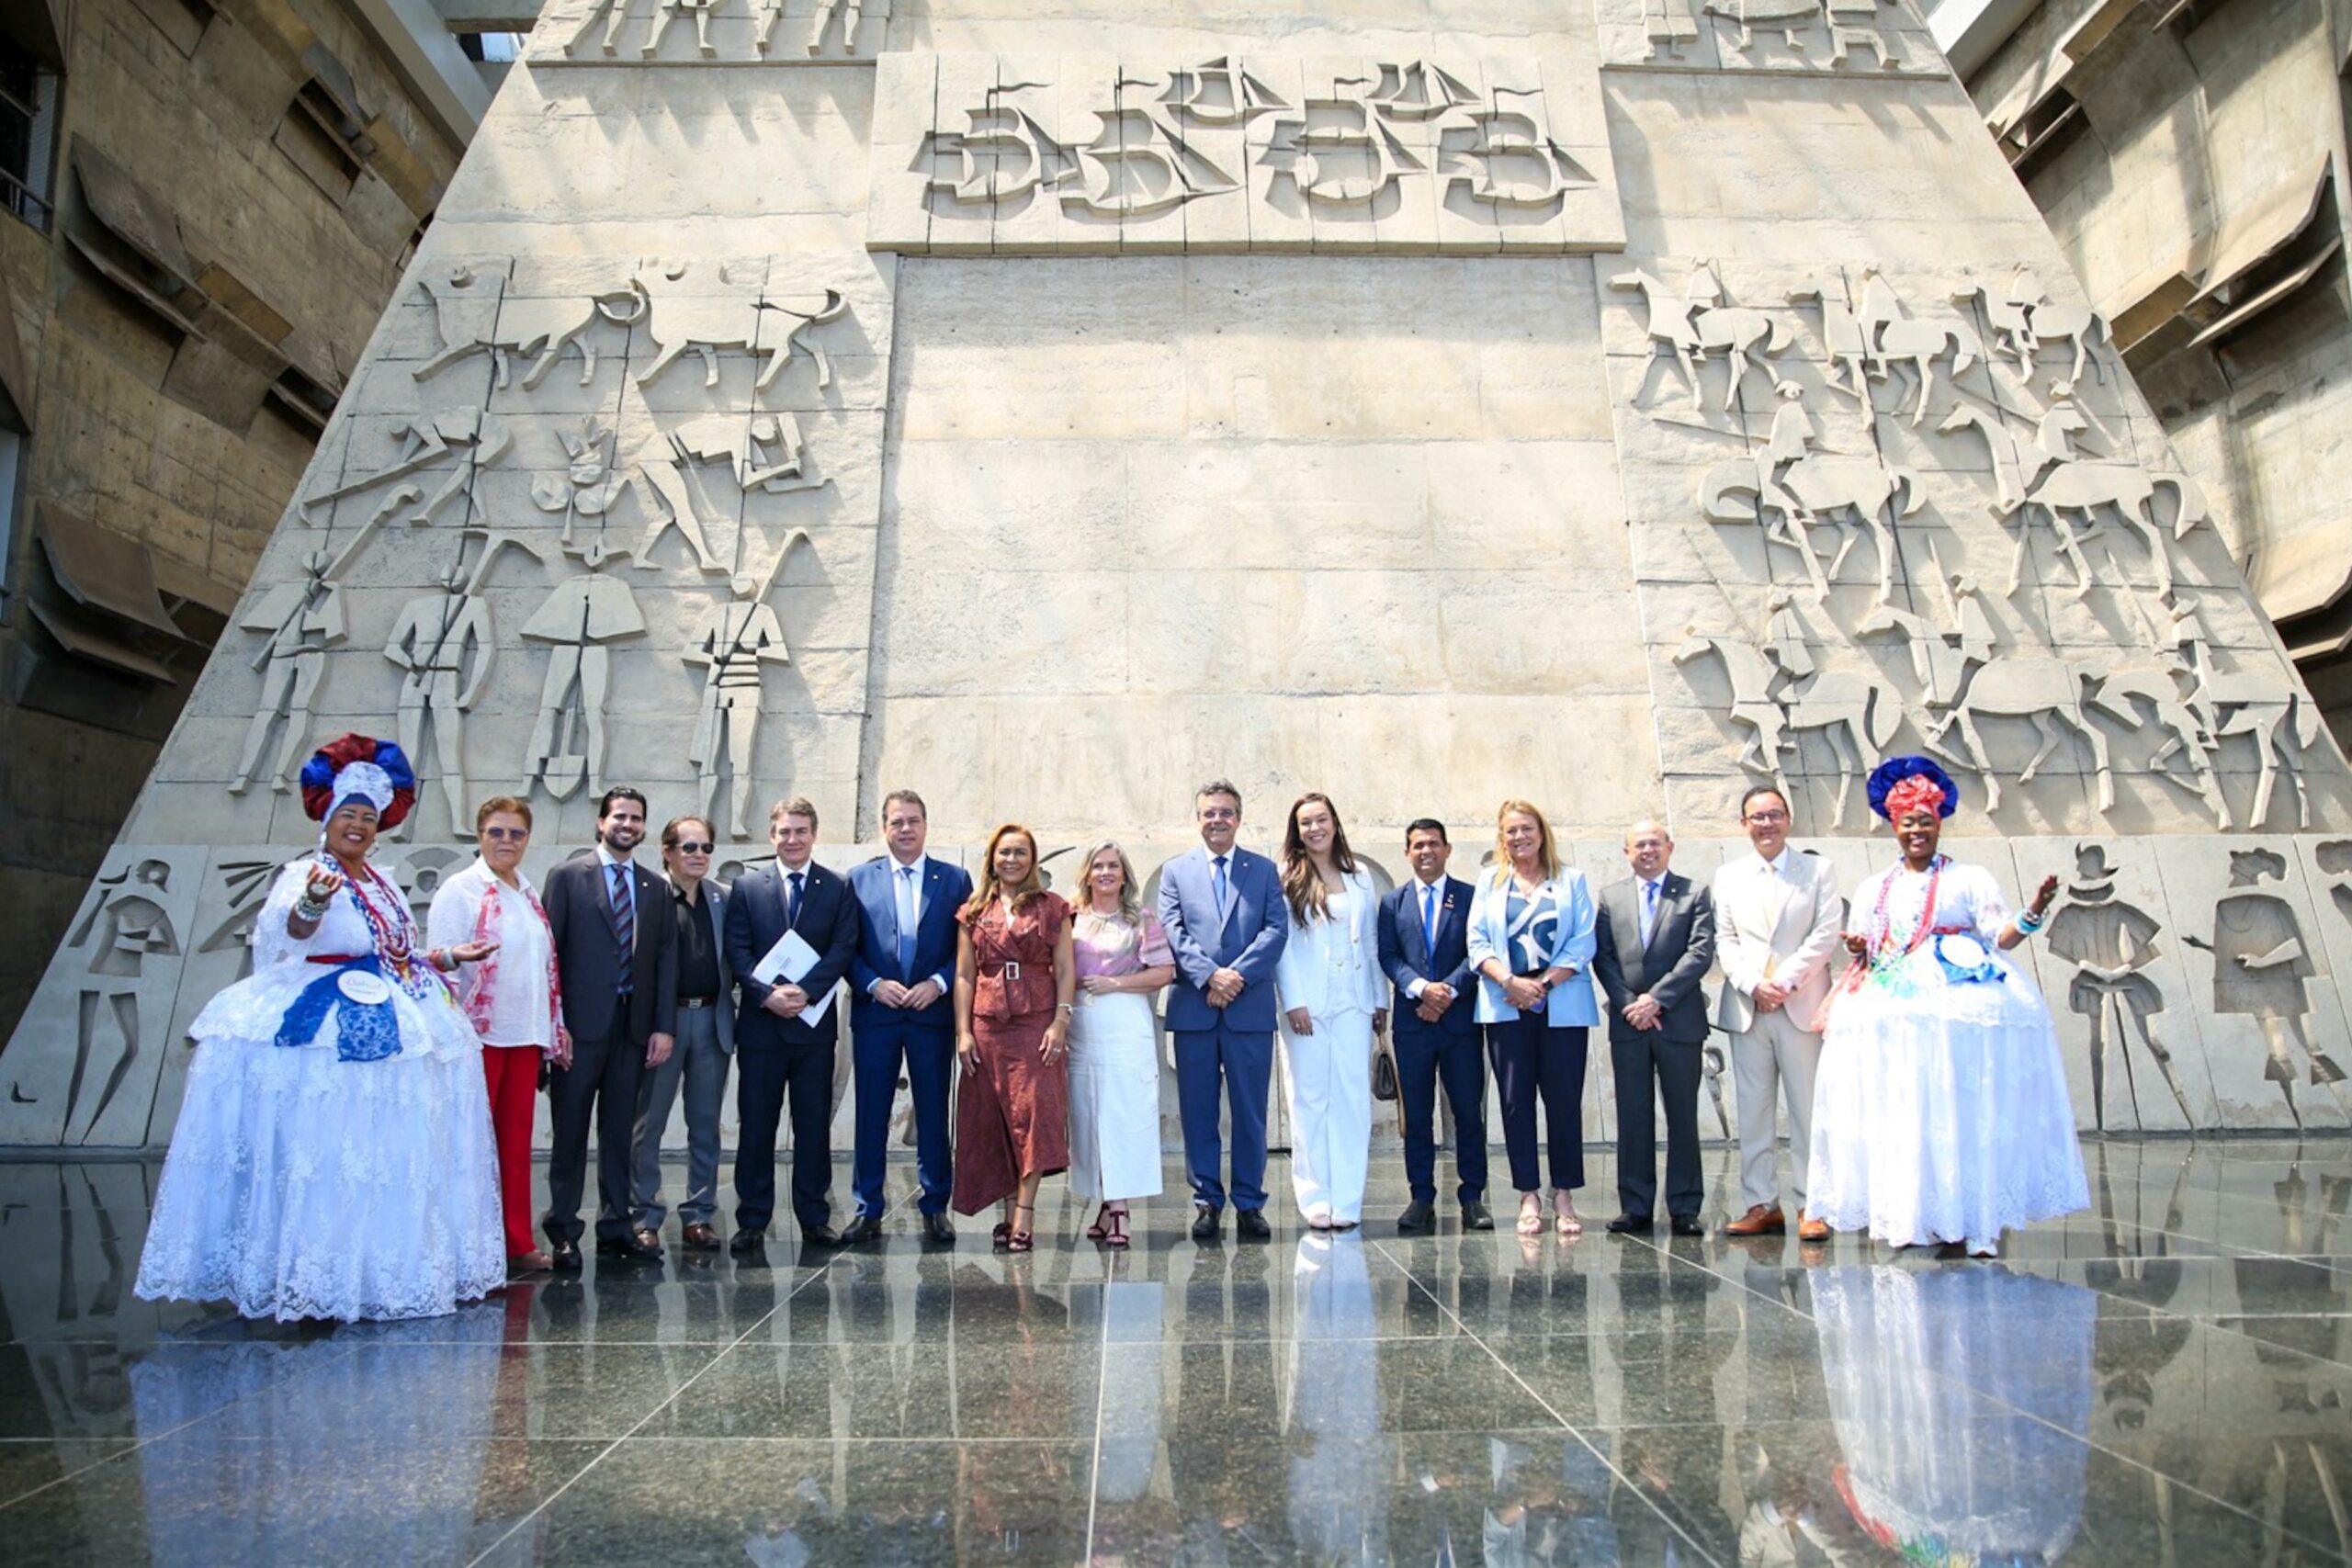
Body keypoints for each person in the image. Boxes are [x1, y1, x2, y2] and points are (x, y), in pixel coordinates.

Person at [135, 735, 503, 1320]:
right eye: (348, 815)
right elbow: (292, 932)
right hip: (327, 1021)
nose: (358, 825)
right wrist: (311, 901)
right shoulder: (307, 873)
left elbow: (392, 951)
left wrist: (448, 956)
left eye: (368, 817)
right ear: (328, 818)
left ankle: (378, 1261)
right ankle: (318, 1267)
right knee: (331, 1148)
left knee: (380, 1150)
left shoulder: (380, 880)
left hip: (391, 1005)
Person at [1806, 757, 2087, 1256]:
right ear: (1894, 827)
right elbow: (1870, 946)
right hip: (1896, 1006)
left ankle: (1976, 1220)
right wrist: (1858, 946)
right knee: (1908, 1108)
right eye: (1907, 823)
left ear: (1939, 824)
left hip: (1962, 997)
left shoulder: (1969, 878)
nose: (1917, 831)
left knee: (1963, 1107)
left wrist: (2035, 909)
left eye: (1925, 822)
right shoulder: (1874, 887)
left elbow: (2001, 937)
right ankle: (1914, 1213)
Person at [426, 795, 564, 1274]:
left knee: (514, 1145)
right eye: (496, 832)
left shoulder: (526, 892)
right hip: (477, 1039)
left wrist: (553, 1028)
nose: (507, 841)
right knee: (469, 1146)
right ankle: (465, 1246)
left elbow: (543, 966)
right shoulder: (460, 890)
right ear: (480, 835)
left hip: (523, 1035)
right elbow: (437, 968)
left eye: (516, 833)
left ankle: (515, 1241)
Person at [542, 786, 678, 1268]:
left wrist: (663, 1027)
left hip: (632, 1029)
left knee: (620, 1133)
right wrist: (554, 1025)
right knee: (570, 1133)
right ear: (601, 822)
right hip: (579, 1030)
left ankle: (616, 1225)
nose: (628, 825)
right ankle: (563, 1229)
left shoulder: (655, 887)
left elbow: (665, 960)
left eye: (636, 818)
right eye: (619, 816)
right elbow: (550, 957)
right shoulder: (567, 878)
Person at [1158, 779, 1291, 1242]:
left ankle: (1250, 1202)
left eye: (1226, 812)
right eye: (1209, 813)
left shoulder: (1264, 870)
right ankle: (1207, 1201)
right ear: (1198, 819)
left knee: (1250, 1112)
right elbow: (1172, 930)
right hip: (1195, 1009)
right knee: (1198, 1111)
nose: (1218, 820)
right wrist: (1210, 976)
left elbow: (1275, 930)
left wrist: (1235, 977)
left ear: (1239, 817)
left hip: (1248, 1009)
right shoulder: (1176, 871)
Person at [724, 795, 859, 1250]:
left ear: (814, 834)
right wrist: (766, 994)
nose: (793, 839)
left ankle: (814, 1217)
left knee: (813, 1126)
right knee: (756, 1126)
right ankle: (752, 1218)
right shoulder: (747, 887)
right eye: (785, 831)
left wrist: (807, 991)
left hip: (812, 1030)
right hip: (761, 1028)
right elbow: (737, 949)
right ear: (772, 835)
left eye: (801, 831)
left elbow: (844, 946)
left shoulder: (837, 887)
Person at [1711, 784, 1842, 1241]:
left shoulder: (1818, 870)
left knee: (1807, 1110)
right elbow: (1725, 939)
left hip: (1801, 1004)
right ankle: (1760, 1203)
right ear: (1743, 823)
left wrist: (1783, 983)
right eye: (1757, 817)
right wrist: (1754, 985)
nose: (1766, 824)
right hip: (1750, 1008)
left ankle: (1812, 1204)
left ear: (1788, 819)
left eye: (1774, 815)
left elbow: (1825, 934)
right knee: (1753, 1111)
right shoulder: (1729, 875)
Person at [1466, 799, 1598, 1237]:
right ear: (1501, 838)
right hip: (1506, 1002)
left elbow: (1583, 941)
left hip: (1561, 1002)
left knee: (1563, 1100)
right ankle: (1528, 1194)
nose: (1519, 837)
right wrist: (1510, 982)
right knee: (1515, 1101)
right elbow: (1477, 942)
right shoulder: (1489, 882)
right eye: (1511, 831)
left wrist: (1542, 985)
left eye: (1527, 829)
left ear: (1542, 833)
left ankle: (1564, 1194)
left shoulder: (1571, 880)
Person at [846, 789, 972, 1244]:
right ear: (884, 827)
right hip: (876, 1015)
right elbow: (845, 946)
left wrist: (937, 983)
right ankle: (868, 1207)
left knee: (934, 1112)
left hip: (930, 1014)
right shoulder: (858, 879)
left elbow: (968, 949)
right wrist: (872, 984)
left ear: (925, 825)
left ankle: (936, 1205)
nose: (905, 829)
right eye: (897, 821)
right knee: (871, 1112)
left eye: (913, 821)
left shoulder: (954, 880)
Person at [951, 823, 1076, 1251]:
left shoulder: (1053, 907)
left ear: (1032, 860)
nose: (1012, 860)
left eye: (1021, 852)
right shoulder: (972, 911)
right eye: (1004, 852)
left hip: (1035, 1022)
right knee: (995, 1118)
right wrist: (963, 1032)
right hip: (987, 1024)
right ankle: (1007, 1213)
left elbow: (1066, 969)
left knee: (1034, 1117)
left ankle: (1024, 1213)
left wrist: (1060, 1021)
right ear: (992, 858)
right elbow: (964, 975)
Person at [1592, 819, 1715, 1238]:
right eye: (1639, 845)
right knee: (1633, 1115)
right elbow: (1603, 957)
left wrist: (1656, 999)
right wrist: (1630, 1004)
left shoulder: (1694, 893)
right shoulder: (1611, 897)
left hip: (1678, 1021)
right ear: (1626, 852)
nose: (1648, 850)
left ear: (1669, 847)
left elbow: (1699, 953)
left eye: (1655, 843)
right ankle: (1635, 1206)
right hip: (1629, 1023)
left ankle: (1684, 1205)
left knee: (1682, 1115)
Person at [1273, 794, 1385, 1230]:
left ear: (1335, 823)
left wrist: (1380, 999)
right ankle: (1315, 1197)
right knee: (1309, 1100)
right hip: (1308, 1005)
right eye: (1306, 823)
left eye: (1321, 820)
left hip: (1354, 1000)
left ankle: (1348, 1198)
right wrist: (1293, 1000)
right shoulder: (1286, 876)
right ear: (1297, 831)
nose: (1314, 828)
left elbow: (1371, 940)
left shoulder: (1359, 876)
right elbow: (1282, 944)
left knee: (1351, 1100)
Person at [1375, 818, 1489, 1233]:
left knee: (1467, 1113)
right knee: (1417, 1115)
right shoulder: (1393, 903)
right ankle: (1420, 1196)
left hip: (1460, 1024)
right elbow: (1388, 956)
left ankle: (1472, 1196)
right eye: (1418, 845)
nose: (1426, 851)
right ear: (1407, 852)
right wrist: (1423, 990)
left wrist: (1447, 992)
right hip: (1414, 1024)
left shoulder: (1471, 897)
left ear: (1447, 849)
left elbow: (1478, 952)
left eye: (1434, 844)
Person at [628, 816, 733, 1251]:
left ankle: (699, 1215)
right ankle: (644, 1215)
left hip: (712, 1022)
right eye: (689, 847)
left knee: (706, 1125)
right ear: (667, 852)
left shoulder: (723, 898)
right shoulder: (650, 897)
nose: (699, 855)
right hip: (664, 1026)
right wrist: (658, 1025)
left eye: (706, 847)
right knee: (649, 1124)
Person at [1068, 840, 1174, 1248]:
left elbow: (1164, 972)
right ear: (1087, 873)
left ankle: (1120, 1207)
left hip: (1125, 1020)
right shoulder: (1070, 918)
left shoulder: (1140, 919)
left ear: (1125, 873)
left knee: (1124, 1113)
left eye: (1114, 865)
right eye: (1098, 865)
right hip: (1081, 1023)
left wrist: (1116, 983)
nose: (1106, 872)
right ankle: (1103, 1197)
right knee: (1087, 1112)